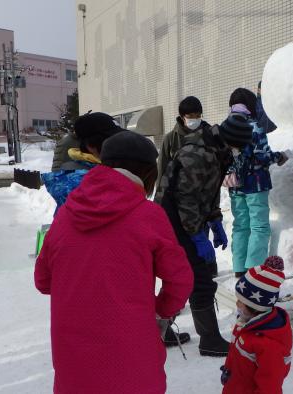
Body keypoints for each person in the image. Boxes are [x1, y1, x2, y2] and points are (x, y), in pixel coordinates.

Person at [34, 130, 195, 394]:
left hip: (72, 359)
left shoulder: (65, 214)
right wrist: (160, 311)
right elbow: (180, 280)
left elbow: (42, 281)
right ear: (147, 173)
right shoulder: (148, 215)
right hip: (131, 354)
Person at [157, 112, 254, 357]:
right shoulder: (198, 154)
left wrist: (215, 220)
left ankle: (161, 330)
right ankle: (209, 339)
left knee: (182, 275)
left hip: (185, 218)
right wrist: (196, 235)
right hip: (173, 219)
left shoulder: (215, 150)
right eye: (238, 148)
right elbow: (186, 199)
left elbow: (206, 192)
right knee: (198, 277)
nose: (238, 153)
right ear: (231, 142)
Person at [226, 88, 288, 277]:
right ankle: (254, 268)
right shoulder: (254, 126)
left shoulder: (224, 127)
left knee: (240, 225)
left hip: (234, 184)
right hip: (256, 183)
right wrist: (279, 156)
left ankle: (239, 267)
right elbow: (262, 156)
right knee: (259, 226)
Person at [220, 256, 293, 393]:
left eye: (240, 301)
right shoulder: (245, 323)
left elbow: (270, 387)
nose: (237, 304)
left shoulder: (268, 345)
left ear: (255, 306)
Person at [42, 112, 124, 214]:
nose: (121, 145)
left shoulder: (106, 167)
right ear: (91, 145)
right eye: (113, 140)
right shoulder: (81, 181)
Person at [155, 96, 213, 200]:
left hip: (206, 196)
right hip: (180, 196)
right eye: (190, 116)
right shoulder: (171, 139)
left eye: (198, 116)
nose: (195, 119)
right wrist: (160, 198)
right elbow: (162, 169)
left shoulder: (209, 135)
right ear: (182, 117)